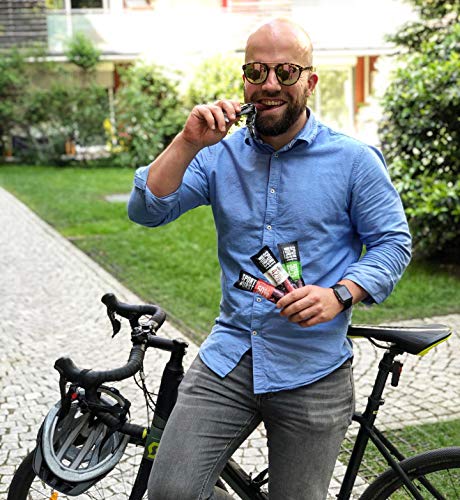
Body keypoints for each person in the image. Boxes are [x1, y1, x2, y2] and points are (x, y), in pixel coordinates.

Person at [128, 18, 411, 500]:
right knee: (171, 492)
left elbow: (393, 243)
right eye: (257, 71)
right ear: (245, 79)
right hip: (230, 356)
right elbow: (147, 210)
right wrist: (188, 141)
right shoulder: (217, 155)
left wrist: (340, 294)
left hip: (313, 368)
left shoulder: (354, 161)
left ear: (310, 81)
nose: (270, 84)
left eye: (286, 71)